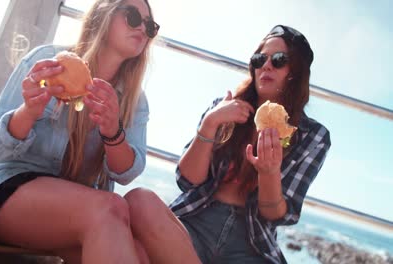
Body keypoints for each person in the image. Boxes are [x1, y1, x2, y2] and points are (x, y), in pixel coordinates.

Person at [0, 0, 160, 263]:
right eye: (133, 17)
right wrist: (30, 111)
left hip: (76, 216)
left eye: (150, 26)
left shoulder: (135, 101)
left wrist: (112, 130)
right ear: (103, 14)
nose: (142, 29)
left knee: (138, 252)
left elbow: (126, 173)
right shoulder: (46, 62)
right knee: (110, 206)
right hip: (5, 195)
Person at [125, 25, 331, 264]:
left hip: (251, 244)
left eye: (278, 60)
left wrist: (269, 172)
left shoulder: (312, 136)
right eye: (259, 58)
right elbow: (187, 180)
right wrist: (210, 124)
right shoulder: (224, 107)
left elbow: (275, 215)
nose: (266, 65)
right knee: (139, 200)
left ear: (296, 72)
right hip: (196, 222)